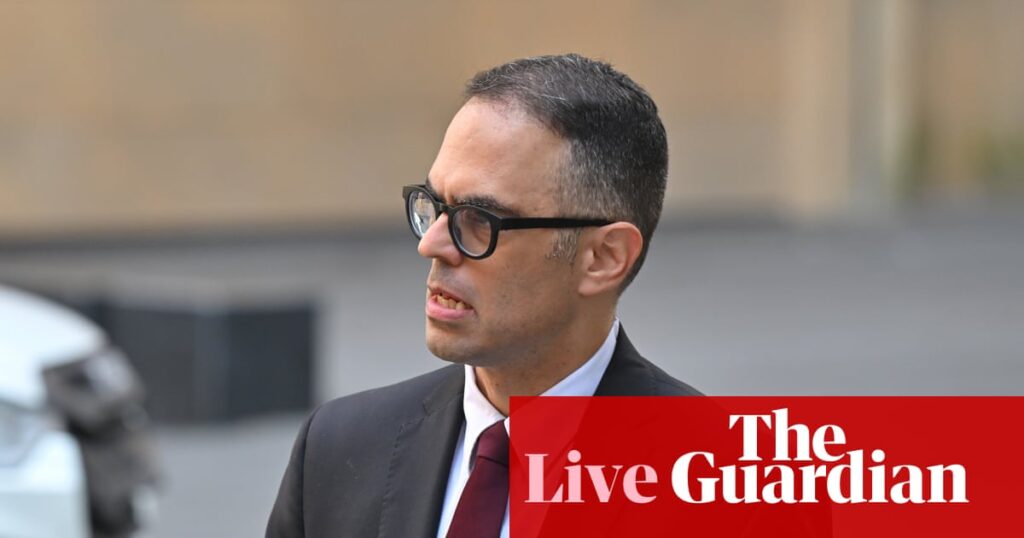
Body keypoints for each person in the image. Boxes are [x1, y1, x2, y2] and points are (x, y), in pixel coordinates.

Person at [266, 53, 699, 538]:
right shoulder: (337, 450)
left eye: (479, 220)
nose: (431, 244)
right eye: (434, 205)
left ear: (603, 257)